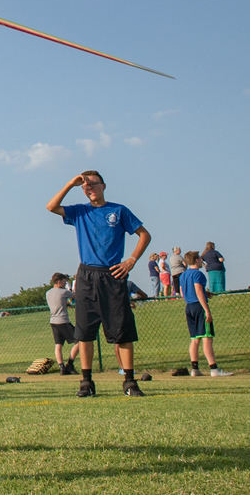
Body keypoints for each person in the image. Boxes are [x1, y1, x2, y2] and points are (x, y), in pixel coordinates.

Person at [46, 170, 151, 398]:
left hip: (113, 275)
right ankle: (86, 382)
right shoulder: (80, 211)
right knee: (84, 332)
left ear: (104, 185)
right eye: (85, 186)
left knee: (122, 331)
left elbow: (144, 235)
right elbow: (51, 206)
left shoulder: (118, 210)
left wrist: (131, 260)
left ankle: (130, 382)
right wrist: (70, 184)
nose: (89, 188)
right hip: (86, 276)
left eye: (93, 184)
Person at [180, 251, 232, 377]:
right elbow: (198, 291)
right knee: (207, 338)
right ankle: (214, 369)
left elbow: (183, 293)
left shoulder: (183, 275)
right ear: (197, 260)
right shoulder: (198, 274)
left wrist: (205, 293)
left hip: (189, 307)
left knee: (194, 339)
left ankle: (195, 369)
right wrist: (207, 310)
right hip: (199, 307)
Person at [46, 273, 79, 375]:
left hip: (53, 321)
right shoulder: (64, 292)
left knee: (58, 344)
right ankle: (70, 364)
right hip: (63, 321)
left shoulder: (48, 293)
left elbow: (59, 304)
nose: (66, 284)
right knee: (80, 341)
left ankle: (62, 367)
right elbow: (76, 296)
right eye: (65, 282)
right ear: (59, 281)